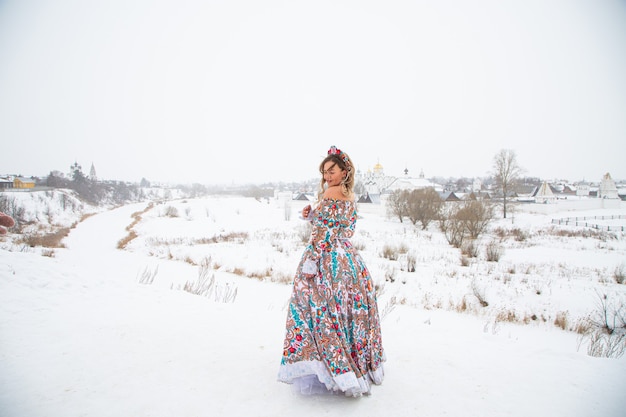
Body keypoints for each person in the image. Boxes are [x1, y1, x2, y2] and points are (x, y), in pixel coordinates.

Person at [277, 146, 385, 397]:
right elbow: (345, 230)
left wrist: (313, 260)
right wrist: (313, 214)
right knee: (344, 310)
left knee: (313, 307)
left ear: (345, 171)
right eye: (324, 172)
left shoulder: (330, 193)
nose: (327, 176)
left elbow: (322, 233)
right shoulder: (349, 195)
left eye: (332, 171)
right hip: (348, 259)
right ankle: (352, 365)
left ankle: (330, 365)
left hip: (326, 258)